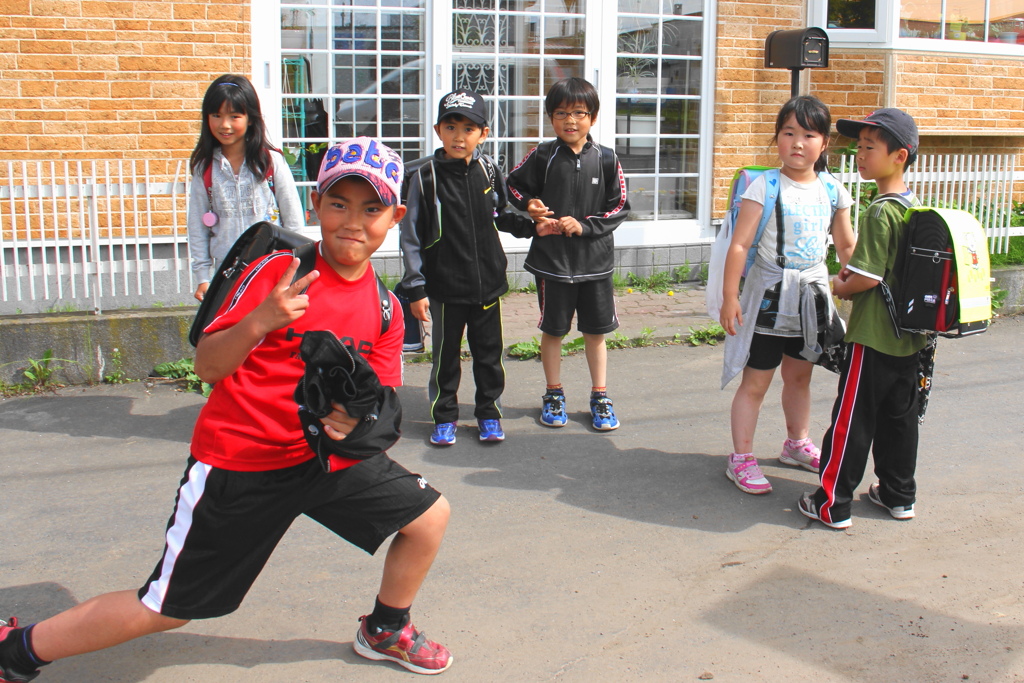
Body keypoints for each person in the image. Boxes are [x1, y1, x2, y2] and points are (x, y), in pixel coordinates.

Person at [0, 138, 454, 680]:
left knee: (428, 517)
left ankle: (385, 628)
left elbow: (379, 403)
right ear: (315, 205)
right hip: (241, 466)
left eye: (371, 208)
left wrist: (357, 421)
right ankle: (17, 650)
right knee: (166, 608)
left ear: (395, 217)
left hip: (322, 460)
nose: (353, 222)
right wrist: (262, 320)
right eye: (339, 204)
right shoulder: (278, 271)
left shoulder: (386, 308)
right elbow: (209, 366)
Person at [719, 95, 856, 495]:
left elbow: (846, 246)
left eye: (809, 135)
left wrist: (858, 283)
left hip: (810, 300)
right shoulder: (765, 186)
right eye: (788, 132)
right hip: (769, 298)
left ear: (824, 143)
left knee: (799, 377)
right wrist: (730, 297)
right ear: (777, 137)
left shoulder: (832, 190)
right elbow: (740, 245)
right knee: (756, 381)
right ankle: (741, 458)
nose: (797, 142)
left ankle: (796, 443)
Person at [798, 108, 926, 529]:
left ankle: (831, 503)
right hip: (909, 337)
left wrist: (839, 286)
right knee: (899, 420)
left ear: (899, 156)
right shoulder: (913, 207)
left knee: (852, 419)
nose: (860, 154)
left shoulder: (880, 211)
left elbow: (867, 277)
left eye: (870, 147)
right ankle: (898, 495)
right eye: (859, 146)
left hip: (872, 337)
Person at [399, 89, 535, 446]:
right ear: (437, 130)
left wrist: (535, 226)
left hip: (488, 283)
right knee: (445, 359)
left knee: (489, 356)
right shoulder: (424, 177)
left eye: (468, 129)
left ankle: (489, 413)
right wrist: (416, 287)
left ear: (483, 133)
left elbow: (501, 215)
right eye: (450, 127)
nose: (459, 137)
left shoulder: (488, 170)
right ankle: (444, 417)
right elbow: (410, 236)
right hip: (444, 288)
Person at [506, 77, 630, 432]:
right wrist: (529, 204)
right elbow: (512, 185)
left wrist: (585, 226)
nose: (570, 121)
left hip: (595, 264)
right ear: (551, 118)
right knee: (554, 330)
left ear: (593, 117)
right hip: (552, 262)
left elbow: (620, 206)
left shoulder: (606, 159)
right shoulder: (543, 155)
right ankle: (554, 393)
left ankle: (600, 396)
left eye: (579, 113)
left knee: (596, 332)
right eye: (561, 113)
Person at [187, 74, 304, 302]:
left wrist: (294, 268)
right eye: (216, 115)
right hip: (226, 276)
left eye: (234, 116)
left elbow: (293, 220)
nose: (225, 125)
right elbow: (197, 228)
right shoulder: (205, 168)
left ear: (250, 118)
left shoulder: (271, 162)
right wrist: (202, 277)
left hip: (272, 273)